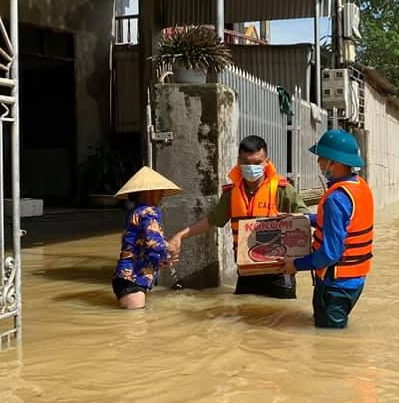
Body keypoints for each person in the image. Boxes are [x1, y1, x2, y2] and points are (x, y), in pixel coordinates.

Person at [167, 135, 307, 298]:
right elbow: (212, 220)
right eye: (246, 163)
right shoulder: (231, 193)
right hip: (247, 272)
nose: (251, 168)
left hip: (280, 272)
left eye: (257, 163)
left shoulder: (283, 190)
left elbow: (306, 219)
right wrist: (180, 236)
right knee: (243, 311)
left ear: (266, 162)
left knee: (282, 313)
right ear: (239, 161)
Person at [281, 129, 374, 329]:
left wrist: (295, 265)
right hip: (355, 281)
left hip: (335, 286)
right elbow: (341, 224)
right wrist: (306, 219)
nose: (319, 163)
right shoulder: (360, 186)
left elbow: (330, 254)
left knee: (328, 341)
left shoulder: (336, 199)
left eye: (322, 158)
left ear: (335, 162)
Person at [112, 166, 183, 309]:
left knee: (135, 318)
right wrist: (171, 247)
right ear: (148, 192)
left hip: (126, 277)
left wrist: (160, 261)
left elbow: (141, 247)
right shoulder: (148, 212)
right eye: (159, 190)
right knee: (136, 320)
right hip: (133, 279)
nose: (162, 194)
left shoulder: (134, 213)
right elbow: (153, 242)